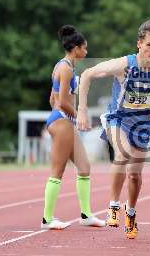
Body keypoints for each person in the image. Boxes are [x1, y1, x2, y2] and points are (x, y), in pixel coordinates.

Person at [77, 20, 150, 239]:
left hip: (143, 123)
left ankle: (131, 213)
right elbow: (87, 74)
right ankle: (113, 206)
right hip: (117, 119)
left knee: (135, 176)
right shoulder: (123, 64)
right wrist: (81, 109)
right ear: (139, 43)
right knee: (122, 155)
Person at [42, 25, 105, 230]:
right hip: (62, 121)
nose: (86, 52)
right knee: (57, 172)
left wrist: (63, 117)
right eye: (84, 48)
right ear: (76, 48)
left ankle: (86, 215)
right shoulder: (66, 69)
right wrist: (78, 116)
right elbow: (61, 101)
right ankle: (47, 219)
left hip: (62, 120)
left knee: (85, 168)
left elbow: (52, 97)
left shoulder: (62, 66)